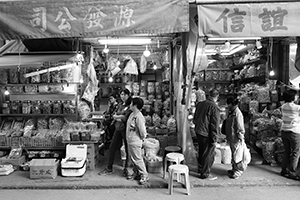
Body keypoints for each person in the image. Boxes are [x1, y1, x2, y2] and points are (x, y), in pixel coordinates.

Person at [99, 89, 132, 176]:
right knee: (112, 147)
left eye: (124, 94)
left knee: (128, 150)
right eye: (121, 94)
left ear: (128, 95)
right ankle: (109, 168)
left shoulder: (130, 105)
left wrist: (117, 116)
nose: (122, 96)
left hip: (125, 129)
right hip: (118, 128)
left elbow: (125, 118)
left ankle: (127, 169)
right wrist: (118, 117)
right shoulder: (121, 105)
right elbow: (118, 115)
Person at [193, 89, 220, 180]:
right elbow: (214, 124)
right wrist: (214, 138)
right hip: (206, 133)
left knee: (201, 151)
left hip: (198, 131)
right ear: (217, 97)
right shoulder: (214, 107)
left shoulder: (200, 104)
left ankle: (200, 169)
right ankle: (205, 173)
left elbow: (195, 118)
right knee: (208, 154)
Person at [126, 97, 149, 185]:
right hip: (130, 140)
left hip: (135, 141)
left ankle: (144, 175)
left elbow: (142, 131)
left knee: (138, 159)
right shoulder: (132, 114)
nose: (130, 105)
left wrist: (143, 138)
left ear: (135, 105)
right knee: (134, 159)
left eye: (131, 103)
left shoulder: (139, 116)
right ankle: (138, 174)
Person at [279, 89, 300, 180]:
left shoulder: (283, 106)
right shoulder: (297, 108)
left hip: (284, 131)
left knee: (287, 151)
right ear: (293, 97)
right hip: (294, 132)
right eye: (296, 95)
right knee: (295, 152)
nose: (297, 96)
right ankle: (292, 172)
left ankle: (283, 170)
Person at [224, 96, 246, 179]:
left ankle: (237, 172)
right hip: (231, 137)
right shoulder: (231, 112)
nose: (227, 105)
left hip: (236, 138)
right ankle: (234, 169)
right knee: (234, 154)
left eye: (228, 104)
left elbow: (240, 127)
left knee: (237, 155)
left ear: (232, 104)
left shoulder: (238, 113)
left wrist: (241, 137)